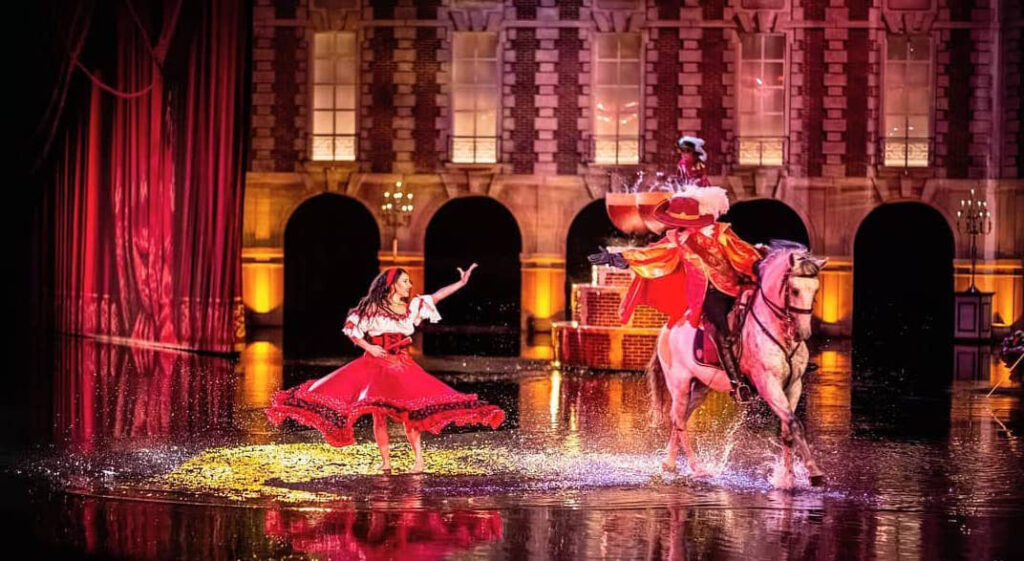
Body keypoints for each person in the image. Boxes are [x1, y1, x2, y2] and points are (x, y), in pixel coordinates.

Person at [265, 265, 506, 474]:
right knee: (378, 415)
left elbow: (436, 297)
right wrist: (369, 347)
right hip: (376, 364)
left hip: (401, 365)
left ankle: (419, 460)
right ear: (392, 285)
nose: (409, 285)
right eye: (405, 281)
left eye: (409, 281)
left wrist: (461, 283)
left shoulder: (412, 307)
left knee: (411, 413)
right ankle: (386, 463)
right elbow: (352, 330)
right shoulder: (372, 308)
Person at [590, 186, 761, 402]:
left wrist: (763, 265)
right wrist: (619, 259)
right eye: (679, 224)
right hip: (707, 295)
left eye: (686, 224)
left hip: (735, 287)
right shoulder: (676, 239)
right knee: (722, 332)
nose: (682, 228)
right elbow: (652, 254)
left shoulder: (720, 233)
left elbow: (744, 254)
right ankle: (739, 385)